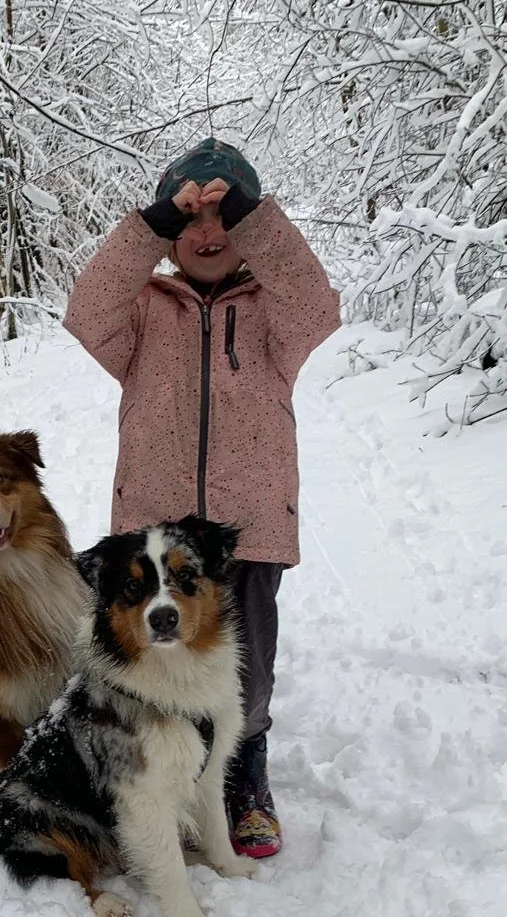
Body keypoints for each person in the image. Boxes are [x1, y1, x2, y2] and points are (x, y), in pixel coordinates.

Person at [63, 137, 340, 859]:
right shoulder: (143, 316)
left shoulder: (276, 318)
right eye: (194, 219)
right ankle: (151, 775)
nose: (209, 234)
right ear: (172, 234)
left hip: (247, 530)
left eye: (226, 217)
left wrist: (254, 216)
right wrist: (149, 223)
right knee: (150, 667)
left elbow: (318, 303)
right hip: (156, 534)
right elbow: (87, 310)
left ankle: (244, 775)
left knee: (244, 671)